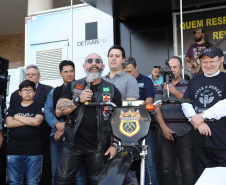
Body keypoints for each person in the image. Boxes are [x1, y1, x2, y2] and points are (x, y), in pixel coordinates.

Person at [54, 53, 122, 185]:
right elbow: (58, 110)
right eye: (90, 61)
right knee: (61, 181)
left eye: (97, 61)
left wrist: (115, 145)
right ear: (84, 66)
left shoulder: (113, 90)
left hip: (98, 147)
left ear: (102, 66)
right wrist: (78, 100)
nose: (94, 63)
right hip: (72, 145)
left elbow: (118, 119)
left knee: (96, 182)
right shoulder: (73, 86)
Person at [181, 48, 226, 179]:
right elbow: (186, 103)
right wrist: (196, 121)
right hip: (199, 140)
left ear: (221, 60)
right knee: (202, 176)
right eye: (204, 62)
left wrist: (203, 116)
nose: (208, 65)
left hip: (221, 141)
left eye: (212, 61)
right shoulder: (194, 81)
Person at [155, 56, 196, 185]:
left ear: (181, 68)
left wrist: (174, 91)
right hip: (166, 133)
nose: (172, 70)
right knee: (167, 169)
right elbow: (156, 108)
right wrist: (163, 128)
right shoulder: (161, 87)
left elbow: (193, 103)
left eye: (175, 67)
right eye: (170, 67)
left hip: (185, 132)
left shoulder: (189, 85)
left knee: (188, 169)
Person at [44, 60, 86, 185]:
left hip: (79, 136)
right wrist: (57, 125)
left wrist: (64, 128)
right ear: (60, 74)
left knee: (79, 174)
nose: (69, 74)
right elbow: (48, 111)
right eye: (65, 72)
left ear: (74, 72)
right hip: (57, 136)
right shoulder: (54, 92)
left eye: (71, 71)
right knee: (56, 172)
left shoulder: (83, 89)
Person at [10, 64, 53, 185]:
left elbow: (50, 112)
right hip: (18, 141)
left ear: (39, 76)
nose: (30, 76)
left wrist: (18, 117)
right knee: (19, 176)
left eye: (33, 74)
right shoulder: (15, 94)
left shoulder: (49, 90)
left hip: (42, 137)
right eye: (27, 74)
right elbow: (9, 119)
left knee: (42, 171)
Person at [103, 45, 139, 184]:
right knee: (104, 171)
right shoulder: (100, 79)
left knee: (124, 173)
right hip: (101, 130)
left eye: (117, 56)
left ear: (123, 60)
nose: (113, 59)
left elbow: (130, 108)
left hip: (122, 130)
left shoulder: (130, 80)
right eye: (111, 55)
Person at [123, 57, 158, 185]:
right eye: (125, 72)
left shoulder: (146, 81)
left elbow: (149, 102)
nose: (128, 75)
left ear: (136, 67)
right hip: (123, 129)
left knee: (148, 164)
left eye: (130, 71)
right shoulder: (122, 81)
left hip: (143, 128)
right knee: (125, 164)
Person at [6, 80, 44, 185]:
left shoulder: (39, 106)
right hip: (14, 150)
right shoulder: (13, 106)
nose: (27, 92)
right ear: (20, 92)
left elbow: (37, 122)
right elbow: (9, 123)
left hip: (33, 151)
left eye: (30, 90)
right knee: (14, 182)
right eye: (24, 90)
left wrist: (17, 117)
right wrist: (29, 120)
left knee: (33, 182)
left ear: (34, 92)